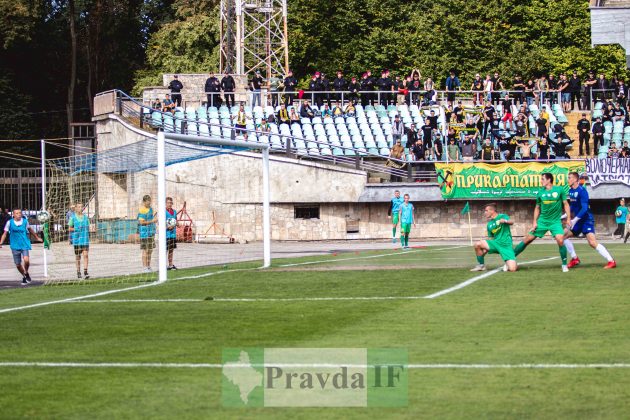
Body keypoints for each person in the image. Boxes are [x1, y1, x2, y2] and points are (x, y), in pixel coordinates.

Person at [513, 173, 571, 272]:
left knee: (560, 240)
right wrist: (534, 222)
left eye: (543, 179)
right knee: (528, 239)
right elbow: (537, 208)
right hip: (542, 221)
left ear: (549, 180)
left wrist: (569, 218)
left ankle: (564, 265)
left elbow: (566, 204)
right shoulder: (540, 193)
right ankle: (510, 259)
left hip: (555, 222)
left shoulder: (559, 190)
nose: (541, 181)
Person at [563, 172, 616, 269]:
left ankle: (611, 261)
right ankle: (575, 259)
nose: (568, 179)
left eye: (569, 178)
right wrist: (564, 215)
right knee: (563, 236)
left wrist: (574, 220)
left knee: (592, 242)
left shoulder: (582, 191)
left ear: (575, 179)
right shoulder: (570, 191)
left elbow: (584, 209)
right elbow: (572, 206)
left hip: (586, 219)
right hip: (578, 220)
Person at [0, 208, 42, 285]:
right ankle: (25, 275)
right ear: (13, 214)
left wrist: (37, 238)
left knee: (26, 260)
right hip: (15, 245)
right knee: (18, 264)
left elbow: (30, 230)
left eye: (20, 213)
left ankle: (26, 272)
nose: (19, 214)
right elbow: (5, 234)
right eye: (17, 213)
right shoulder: (9, 223)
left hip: (24, 244)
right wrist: (1, 243)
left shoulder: (25, 221)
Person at [470, 203, 517, 272]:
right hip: (495, 243)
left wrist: (505, 221)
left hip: (505, 245)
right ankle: (481, 265)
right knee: (478, 244)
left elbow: (512, 222)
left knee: (512, 269)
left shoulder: (502, 216)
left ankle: (508, 264)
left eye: (486, 211)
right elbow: (491, 238)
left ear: (492, 211)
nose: (484, 213)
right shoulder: (489, 224)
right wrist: (486, 248)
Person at [68, 203, 90, 279]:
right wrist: (76, 229)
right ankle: (78, 271)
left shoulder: (86, 217)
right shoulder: (73, 218)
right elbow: (70, 228)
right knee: (78, 257)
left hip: (85, 239)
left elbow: (88, 227)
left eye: (82, 207)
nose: (81, 208)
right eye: (79, 207)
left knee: (86, 255)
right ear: (76, 208)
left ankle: (85, 271)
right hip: (77, 240)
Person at [138, 195, 157, 272]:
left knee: (150, 250)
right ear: (144, 202)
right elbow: (141, 222)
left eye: (150, 201)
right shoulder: (142, 210)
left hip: (151, 232)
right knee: (145, 250)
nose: (149, 202)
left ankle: (149, 266)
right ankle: (144, 267)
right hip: (144, 233)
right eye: (147, 201)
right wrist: (152, 221)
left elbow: (151, 219)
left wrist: (154, 222)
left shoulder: (151, 209)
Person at [165, 197, 178, 270]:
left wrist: (177, 224)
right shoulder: (163, 212)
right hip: (166, 235)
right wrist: (167, 227)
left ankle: (170, 265)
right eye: (168, 202)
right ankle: (162, 265)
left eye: (171, 203)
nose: (169, 204)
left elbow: (176, 220)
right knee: (165, 250)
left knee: (171, 250)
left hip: (173, 234)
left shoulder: (175, 212)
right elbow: (161, 222)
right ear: (165, 203)